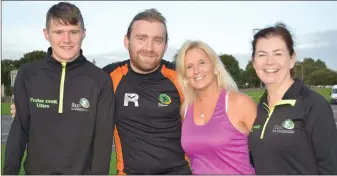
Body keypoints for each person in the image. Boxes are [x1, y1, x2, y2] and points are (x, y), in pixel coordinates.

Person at [3, 2, 115, 175]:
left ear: (83, 33)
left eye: (73, 32)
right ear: (46, 34)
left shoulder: (100, 80)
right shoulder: (28, 74)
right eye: (58, 32)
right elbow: (19, 132)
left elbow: (103, 143)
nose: (67, 40)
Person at [248, 22, 337, 174]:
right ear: (254, 62)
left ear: (292, 58)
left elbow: (331, 168)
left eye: (278, 53)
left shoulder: (313, 105)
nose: (270, 61)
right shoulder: (259, 108)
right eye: (262, 54)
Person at [175, 40, 256, 174]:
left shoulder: (240, 103)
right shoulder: (185, 110)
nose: (196, 71)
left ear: (214, 67)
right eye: (189, 66)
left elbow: (268, 153)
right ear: (185, 76)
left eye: (202, 63)